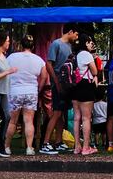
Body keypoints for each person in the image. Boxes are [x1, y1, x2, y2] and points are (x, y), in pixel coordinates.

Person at [5, 35, 47, 156]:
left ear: (21, 45)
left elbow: (5, 71)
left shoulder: (12, 57)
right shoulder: (39, 60)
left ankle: (7, 146)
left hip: (15, 92)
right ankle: (29, 147)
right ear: (33, 46)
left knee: (12, 121)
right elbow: (44, 76)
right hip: (31, 92)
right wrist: (39, 88)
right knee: (29, 121)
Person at [42, 24, 78, 154]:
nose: (76, 37)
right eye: (76, 34)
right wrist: (56, 81)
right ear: (70, 31)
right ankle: (45, 143)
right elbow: (49, 64)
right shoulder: (56, 44)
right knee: (56, 113)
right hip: (58, 83)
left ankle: (58, 142)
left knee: (62, 114)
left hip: (66, 84)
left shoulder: (70, 46)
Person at [71, 34, 100, 155]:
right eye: (89, 42)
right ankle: (86, 147)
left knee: (77, 118)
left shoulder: (74, 55)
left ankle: (77, 146)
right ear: (85, 43)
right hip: (85, 86)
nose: (91, 44)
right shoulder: (86, 54)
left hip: (74, 86)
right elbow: (94, 71)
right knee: (86, 118)